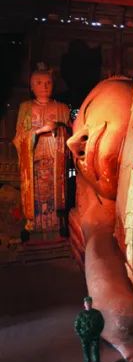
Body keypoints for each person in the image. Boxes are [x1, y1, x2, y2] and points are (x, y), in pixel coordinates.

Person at [14, 62, 70, 240]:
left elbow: (70, 136)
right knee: (35, 192)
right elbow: (19, 137)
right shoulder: (26, 108)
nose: (44, 87)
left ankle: (58, 223)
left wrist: (59, 128)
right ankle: (32, 224)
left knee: (56, 191)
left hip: (56, 161)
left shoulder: (62, 108)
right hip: (34, 160)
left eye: (48, 83)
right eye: (39, 83)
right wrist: (39, 131)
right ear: (31, 86)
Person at [74, 295, 105, 362]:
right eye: (86, 303)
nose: (88, 304)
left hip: (95, 337)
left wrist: (97, 333)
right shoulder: (80, 315)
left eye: (89, 302)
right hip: (85, 338)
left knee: (95, 354)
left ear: (91, 303)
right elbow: (77, 326)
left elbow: (101, 324)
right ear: (84, 304)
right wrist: (81, 335)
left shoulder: (97, 313)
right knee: (87, 354)